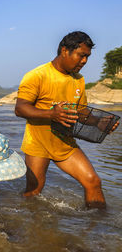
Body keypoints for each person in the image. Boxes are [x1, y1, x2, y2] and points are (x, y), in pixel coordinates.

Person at [14, 31, 119, 209]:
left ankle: (98, 229)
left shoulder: (78, 80)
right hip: (38, 144)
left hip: (65, 143)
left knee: (93, 181)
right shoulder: (38, 75)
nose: (84, 61)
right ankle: (26, 226)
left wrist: (98, 122)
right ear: (65, 50)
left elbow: (82, 112)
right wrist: (51, 114)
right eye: (81, 55)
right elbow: (20, 108)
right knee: (34, 191)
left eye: (87, 57)